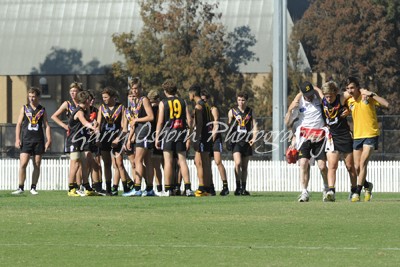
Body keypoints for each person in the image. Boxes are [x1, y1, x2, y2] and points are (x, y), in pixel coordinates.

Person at [345, 76, 389, 202]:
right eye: (348, 88)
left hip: (371, 134)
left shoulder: (367, 97)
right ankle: (367, 185)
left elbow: (386, 104)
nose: (350, 90)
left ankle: (357, 192)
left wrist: (372, 94)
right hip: (357, 136)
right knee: (357, 167)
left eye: (352, 87)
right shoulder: (349, 101)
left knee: (363, 162)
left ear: (358, 87)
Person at [284, 82, 328, 202]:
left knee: (322, 166)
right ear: (302, 93)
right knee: (303, 163)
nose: (310, 96)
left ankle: (326, 188)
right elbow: (287, 123)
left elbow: (323, 95)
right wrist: (289, 109)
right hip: (304, 137)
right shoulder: (298, 103)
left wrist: (316, 90)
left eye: (311, 93)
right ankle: (304, 191)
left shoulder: (319, 99)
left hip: (320, 136)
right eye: (307, 94)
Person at [314, 81, 357, 201]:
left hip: (345, 135)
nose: (328, 98)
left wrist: (365, 94)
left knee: (349, 166)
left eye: (330, 96)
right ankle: (331, 191)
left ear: (335, 92)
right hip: (332, 136)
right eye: (326, 96)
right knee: (332, 165)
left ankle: (354, 190)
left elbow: (355, 92)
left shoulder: (341, 98)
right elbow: (315, 88)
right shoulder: (324, 100)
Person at [155, 79, 194, 197]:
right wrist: (189, 135)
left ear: (165, 91)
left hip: (168, 133)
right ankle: (188, 188)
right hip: (180, 132)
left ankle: (168, 189)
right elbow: (190, 120)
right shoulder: (183, 101)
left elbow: (160, 121)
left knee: (168, 161)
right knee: (182, 161)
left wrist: (157, 136)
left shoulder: (163, 102)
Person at [12, 87, 51, 195]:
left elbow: (46, 125)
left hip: (38, 140)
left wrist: (49, 140)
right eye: (30, 96)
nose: (31, 99)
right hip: (26, 140)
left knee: (37, 164)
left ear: (38, 97)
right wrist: (17, 139)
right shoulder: (24, 108)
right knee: (23, 163)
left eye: (33, 96)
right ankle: (20, 187)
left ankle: (33, 187)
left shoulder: (42, 109)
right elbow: (19, 124)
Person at [123, 78, 155, 197]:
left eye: (136, 88)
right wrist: (130, 138)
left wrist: (137, 119)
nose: (134, 91)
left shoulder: (144, 99)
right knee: (146, 160)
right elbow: (132, 124)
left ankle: (137, 188)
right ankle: (149, 189)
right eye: (133, 89)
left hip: (145, 131)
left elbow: (151, 116)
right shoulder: (134, 102)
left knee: (138, 160)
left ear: (141, 88)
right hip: (138, 131)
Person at [97, 87, 131, 196]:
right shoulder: (101, 108)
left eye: (106, 97)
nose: (104, 99)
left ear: (112, 97)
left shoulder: (121, 107)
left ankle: (126, 188)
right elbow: (98, 125)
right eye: (103, 97)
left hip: (117, 137)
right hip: (105, 138)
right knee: (107, 164)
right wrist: (97, 137)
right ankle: (108, 189)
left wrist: (118, 138)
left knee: (119, 163)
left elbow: (124, 127)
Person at [51, 82, 84, 195]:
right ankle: (71, 187)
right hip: (73, 137)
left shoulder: (82, 104)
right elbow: (54, 116)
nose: (73, 93)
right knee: (74, 163)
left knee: (80, 163)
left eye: (75, 91)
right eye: (71, 91)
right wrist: (64, 126)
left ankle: (79, 187)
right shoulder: (67, 104)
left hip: (83, 136)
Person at [65, 91, 98, 196]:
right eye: (89, 99)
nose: (91, 101)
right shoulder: (79, 111)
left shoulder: (84, 110)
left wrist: (94, 122)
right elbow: (84, 122)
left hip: (81, 140)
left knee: (84, 164)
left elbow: (88, 119)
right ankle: (71, 189)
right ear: (86, 100)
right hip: (74, 141)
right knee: (75, 164)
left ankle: (87, 187)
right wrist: (93, 127)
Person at [227, 92, 257, 196]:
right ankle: (238, 187)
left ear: (246, 101)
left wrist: (254, 138)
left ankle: (243, 188)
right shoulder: (232, 111)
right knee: (238, 163)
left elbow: (255, 126)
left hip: (247, 141)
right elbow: (229, 126)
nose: (241, 102)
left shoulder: (251, 112)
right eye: (239, 100)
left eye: (243, 100)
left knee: (245, 166)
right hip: (236, 141)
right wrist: (228, 139)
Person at [201, 90, 229, 196]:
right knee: (207, 164)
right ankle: (210, 187)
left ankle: (225, 186)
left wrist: (211, 139)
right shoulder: (201, 110)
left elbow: (216, 125)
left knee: (218, 161)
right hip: (206, 138)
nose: (203, 102)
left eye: (205, 99)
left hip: (215, 139)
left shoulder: (213, 109)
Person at [189, 84, 213, 197]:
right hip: (208, 136)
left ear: (193, 94)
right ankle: (208, 188)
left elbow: (200, 125)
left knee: (199, 162)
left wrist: (196, 138)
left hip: (202, 137)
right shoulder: (207, 105)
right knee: (206, 163)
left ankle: (201, 188)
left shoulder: (198, 106)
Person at [147, 89, 164, 195]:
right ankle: (162, 188)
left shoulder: (153, 109)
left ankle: (159, 188)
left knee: (155, 165)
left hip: (154, 137)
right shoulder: (161, 107)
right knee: (160, 165)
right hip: (162, 136)